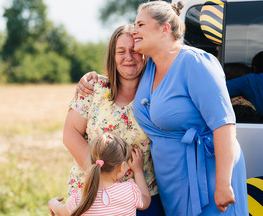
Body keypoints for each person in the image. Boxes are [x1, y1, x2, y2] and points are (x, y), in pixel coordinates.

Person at [77, 1, 249, 215]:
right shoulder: (150, 68)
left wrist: (223, 183)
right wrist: (92, 79)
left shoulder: (196, 63)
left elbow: (224, 124)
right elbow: (124, 73)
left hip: (207, 175)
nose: (134, 30)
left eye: (140, 25)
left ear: (165, 28)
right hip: (172, 181)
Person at [56, 24, 165, 216]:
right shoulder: (93, 88)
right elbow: (70, 134)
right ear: (112, 57)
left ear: (145, 53)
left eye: (135, 50)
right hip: (91, 195)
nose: (128, 57)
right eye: (121, 51)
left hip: (142, 196)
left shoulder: (157, 93)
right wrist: (102, 178)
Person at [48, 133, 151, 216]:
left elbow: (61, 212)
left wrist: (52, 203)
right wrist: (138, 171)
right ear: (122, 166)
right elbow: (146, 200)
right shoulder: (129, 191)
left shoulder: (79, 199)